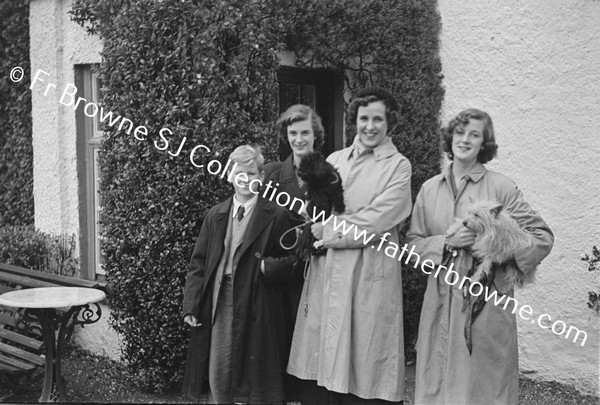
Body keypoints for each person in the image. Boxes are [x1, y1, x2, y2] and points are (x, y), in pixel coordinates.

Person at [406, 108, 554, 404]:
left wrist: (496, 246)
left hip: (488, 306)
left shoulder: (501, 187)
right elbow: (412, 247)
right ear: (449, 139)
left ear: (484, 143)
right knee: (438, 386)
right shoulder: (429, 189)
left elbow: (542, 238)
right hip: (440, 303)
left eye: (474, 134)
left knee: (485, 389)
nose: (465, 139)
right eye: (459, 133)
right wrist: (446, 243)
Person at [287, 87, 412, 404]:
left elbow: (378, 218)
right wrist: (309, 221)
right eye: (364, 118)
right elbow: (317, 205)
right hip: (327, 273)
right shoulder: (334, 159)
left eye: (378, 119)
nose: (370, 126)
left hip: (368, 271)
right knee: (323, 363)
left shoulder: (398, 166)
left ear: (389, 123)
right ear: (354, 120)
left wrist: (325, 231)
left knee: (364, 364)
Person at [181, 145, 296, 404]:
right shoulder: (216, 215)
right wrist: (191, 305)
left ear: (262, 178)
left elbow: (294, 261)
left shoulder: (275, 215)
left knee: (255, 378)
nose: (246, 180)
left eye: (252, 174)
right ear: (230, 176)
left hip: (259, 303)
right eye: (239, 174)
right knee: (219, 370)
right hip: (220, 300)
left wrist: (269, 267)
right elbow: (198, 264)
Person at [263, 104, 327, 403]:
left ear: (316, 136)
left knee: (310, 367)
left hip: (313, 281)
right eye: (293, 133)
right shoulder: (272, 175)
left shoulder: (331, 177)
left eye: (305, 132)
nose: (299, 139)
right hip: (274, 283)